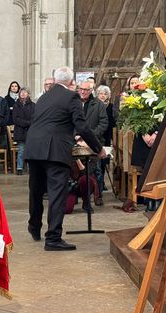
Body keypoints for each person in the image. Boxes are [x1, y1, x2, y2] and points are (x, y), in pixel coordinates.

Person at [24, 66, 106, 251]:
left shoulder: (44, 97)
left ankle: (34, 227)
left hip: (34, 148)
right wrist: (98, 149)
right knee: (57, 193)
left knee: (36, 191)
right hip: (55, 150)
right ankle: (53, 238)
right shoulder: (72, 97)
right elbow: (82, 127)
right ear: (71, 83)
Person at [77, 80, 108, 207]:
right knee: (79, 172)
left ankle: (98, 195)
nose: (83, 92)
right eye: (81, 89)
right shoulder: (74, 104)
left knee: (96, 171)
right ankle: (81, 197)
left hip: (94, 142)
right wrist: (77, 137)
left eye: (86, 90)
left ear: (91, 91)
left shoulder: (98, 104)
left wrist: (90, 137)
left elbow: (103, 123)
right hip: (77, 142)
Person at [11, 87, 35, 175]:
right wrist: (26, 123)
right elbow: (15, 119)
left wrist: (28, 123)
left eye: (25, 92)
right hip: (20, 131)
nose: (23, 94)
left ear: (28, 94)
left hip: (30, 131)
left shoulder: (33, 105)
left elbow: (34, 118)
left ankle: (31, 168)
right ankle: (19, 168)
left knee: (31, 151)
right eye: (21, 92)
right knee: (21, 150)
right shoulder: (16, 105)